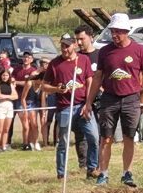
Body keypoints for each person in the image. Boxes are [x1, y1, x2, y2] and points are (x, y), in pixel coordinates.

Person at [82, 12, 143, 187]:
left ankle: (127, 173)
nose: (114, 35)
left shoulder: (139, 50)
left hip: (131, 99)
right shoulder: (105, 52)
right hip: (109, 99)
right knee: (106, 138)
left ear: (126, 31)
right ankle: (103, 174)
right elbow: (98, 78)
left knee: (129, 137)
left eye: (118, 31)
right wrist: (88, 102)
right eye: (112, 31)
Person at [41, 34, 99, 180]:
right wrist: (56, 89)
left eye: (67, 46)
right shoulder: (55, 63)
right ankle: (61, 173)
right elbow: (44, 86)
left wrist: (88, 103)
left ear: (74, 45)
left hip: (83, 106)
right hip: (65, 108)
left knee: (93, 136)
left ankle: (92, 168)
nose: (64, 49)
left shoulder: (83, 60)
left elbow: (89, 81)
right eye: (62, 46)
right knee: (64, 142)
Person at [13, 52, 40, 151]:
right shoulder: (17, 70)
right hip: (20, 100)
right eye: (24, 57)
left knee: (34, 124)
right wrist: (19, 82)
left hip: (31, 100)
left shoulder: (33, 71)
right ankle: (25, 144)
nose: (26, 59)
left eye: (28, 57)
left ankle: (34, 142)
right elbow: (12, 80)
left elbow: (30, 83)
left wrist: (17, 82)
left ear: (32, 60)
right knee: (25, 125)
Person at [0, 69, 19, 152]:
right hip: (0, 107)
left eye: (6, 75)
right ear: (0, 76)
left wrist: (5, 97)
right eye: (3, 75)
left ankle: (4, 146)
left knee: (6, 129)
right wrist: (9, 96)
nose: (5, 77)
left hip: (9, 106)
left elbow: (16, 96)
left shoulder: (10, 84)